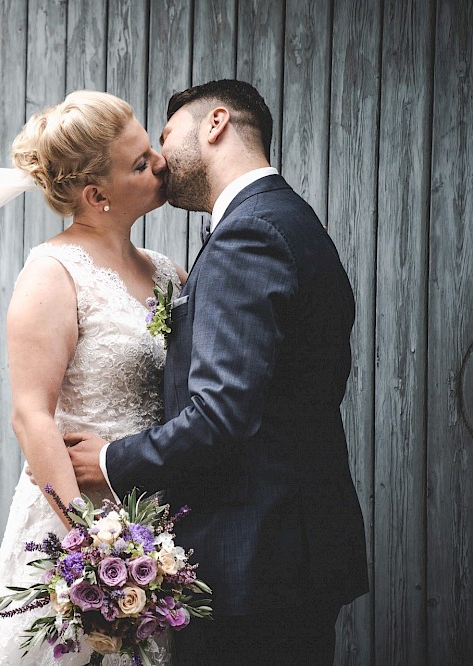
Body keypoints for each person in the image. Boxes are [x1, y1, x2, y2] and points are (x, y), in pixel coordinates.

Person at [66, 80, 369, 665]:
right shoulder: (289, 220)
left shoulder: (249, 235)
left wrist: (108, 460)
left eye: (165, 135)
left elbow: (220, 414)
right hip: (291, 549)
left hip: (256, 558)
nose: (157, 157)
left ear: (216, 124)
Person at [0, 90, 185, 665]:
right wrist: (91, 550)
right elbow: (31, 414)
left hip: (159, 522)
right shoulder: (52, 274)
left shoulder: (167, 272)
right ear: (96, 195)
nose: (160, 161)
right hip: (85, 527)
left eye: (149, 146)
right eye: (139, 163)